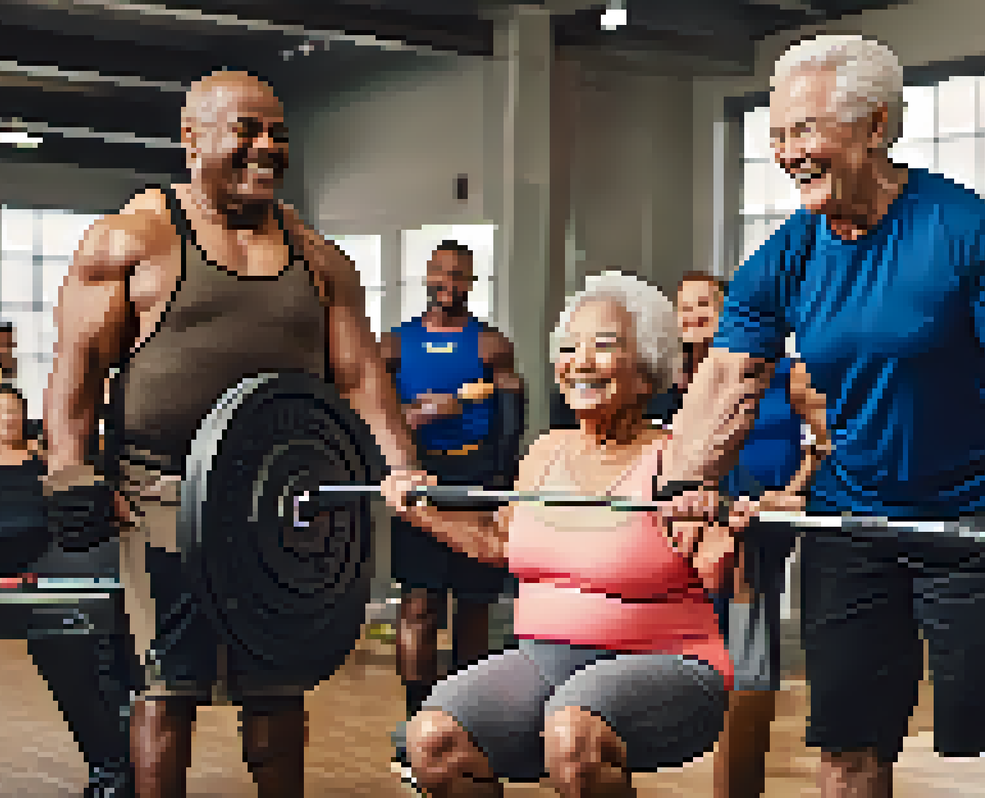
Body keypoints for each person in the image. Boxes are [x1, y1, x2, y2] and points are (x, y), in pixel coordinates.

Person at [661, 35, 985, 798]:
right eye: (777, 135)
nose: (788, 153)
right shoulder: (785, 256)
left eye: (806, 131)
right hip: (858, 517)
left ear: (876, 126)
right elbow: (730, 374)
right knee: (846, 748)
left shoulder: (962, 228)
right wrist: (687, 477)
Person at [42, 69, 431, 798]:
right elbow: (77, 368)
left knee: (278, 687)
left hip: (275, 503)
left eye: (278, 133)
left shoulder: (319, 260)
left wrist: (402, 468)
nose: (266, 147)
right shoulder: (133, 239)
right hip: (159, 495)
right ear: (191, 140)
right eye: (245, 130)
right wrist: (70, 471)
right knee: (169, 687)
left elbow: (361, 378)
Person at [383, 271, 735, 798]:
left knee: (573, 732)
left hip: (666, 662)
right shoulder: (546, 452)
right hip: (543, 661)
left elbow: (718, 568)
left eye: (605, 345)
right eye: (570, 347)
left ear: (647, 372)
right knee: (431, 741)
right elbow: (502, 545)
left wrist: (718, 517)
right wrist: (421, 510)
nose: (582, 361)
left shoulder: (673, 458)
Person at [0, 384, 138, 797]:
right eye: (1, 411)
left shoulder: (38, 454)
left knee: (97, 573)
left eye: (15, 411)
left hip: (38, 556)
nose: (9, 418)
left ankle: (115, 708)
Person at [676, 272, 828, 798]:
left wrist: (787, 494)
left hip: (762, 520)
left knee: (748, 649)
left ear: (728, 313)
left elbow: (821, 442)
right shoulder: (673, 383)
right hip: (696, 525)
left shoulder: (783, 372)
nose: (692, 314)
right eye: (684, 306)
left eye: (704, 304)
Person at [380, 240, 526, 730]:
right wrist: (421, 412)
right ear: (426, 277)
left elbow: (510, 426)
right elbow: (368, 415)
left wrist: (502, 493)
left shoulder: (491, 345)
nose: (450, 284)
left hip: (476, 480)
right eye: (441, 274)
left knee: (473, 608)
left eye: (460, 276)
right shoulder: (394, 345)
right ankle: (416, 718)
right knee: (419, 605)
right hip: (419, 480)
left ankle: (466, 717)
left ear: (472, 282)